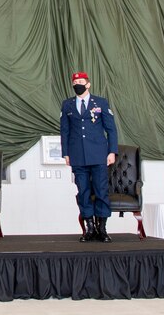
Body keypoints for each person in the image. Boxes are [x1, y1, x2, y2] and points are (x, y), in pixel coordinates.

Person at [60, 71, 118, 242]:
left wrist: (112, 151)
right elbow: (64, 131)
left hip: (99, 154)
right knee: (83, 192)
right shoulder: (67, 105)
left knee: (101, 191)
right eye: (75, 82)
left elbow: (111, 129)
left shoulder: (100, 102)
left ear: (88, 84)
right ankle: (89, 228)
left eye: (81, 81)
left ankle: (102, 228)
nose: (77, 84)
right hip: (78, 155)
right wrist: (66, 153)